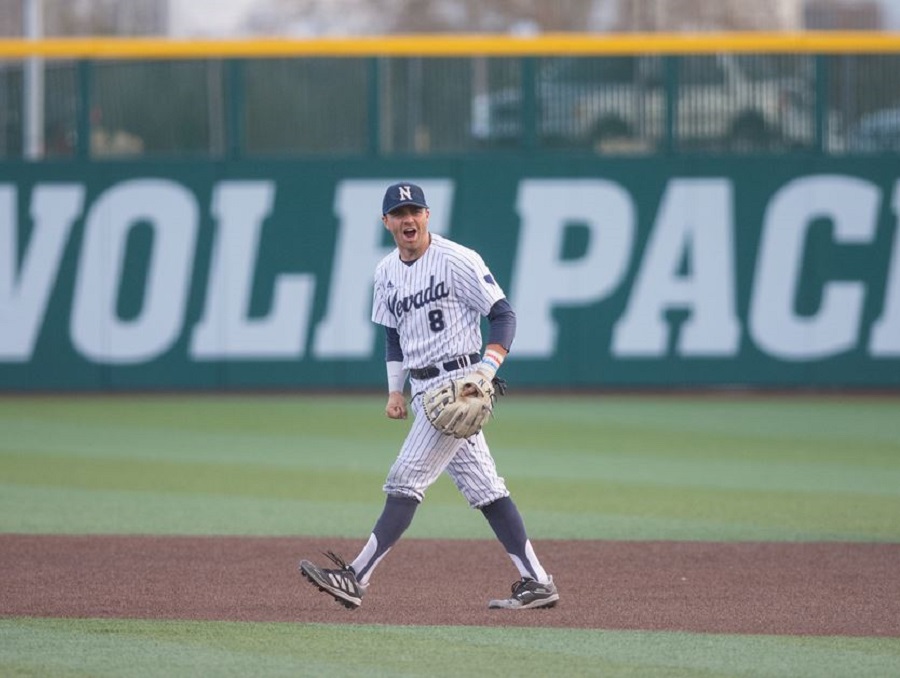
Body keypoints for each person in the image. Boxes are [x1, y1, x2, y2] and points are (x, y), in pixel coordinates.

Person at [298, 182, 558, 610]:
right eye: (399, 213)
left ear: (427, 215)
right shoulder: (385, 272)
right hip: (422, 391)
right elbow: (392, 338)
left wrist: (486, 371)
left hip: (458, 385)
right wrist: (394, 391)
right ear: (386, 223)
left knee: (406, 478)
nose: (408, 219)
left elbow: (503, 315)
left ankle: (355, 577)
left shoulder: (457, 260)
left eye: (415, 210)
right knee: (487, 490)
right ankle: (538, 580)